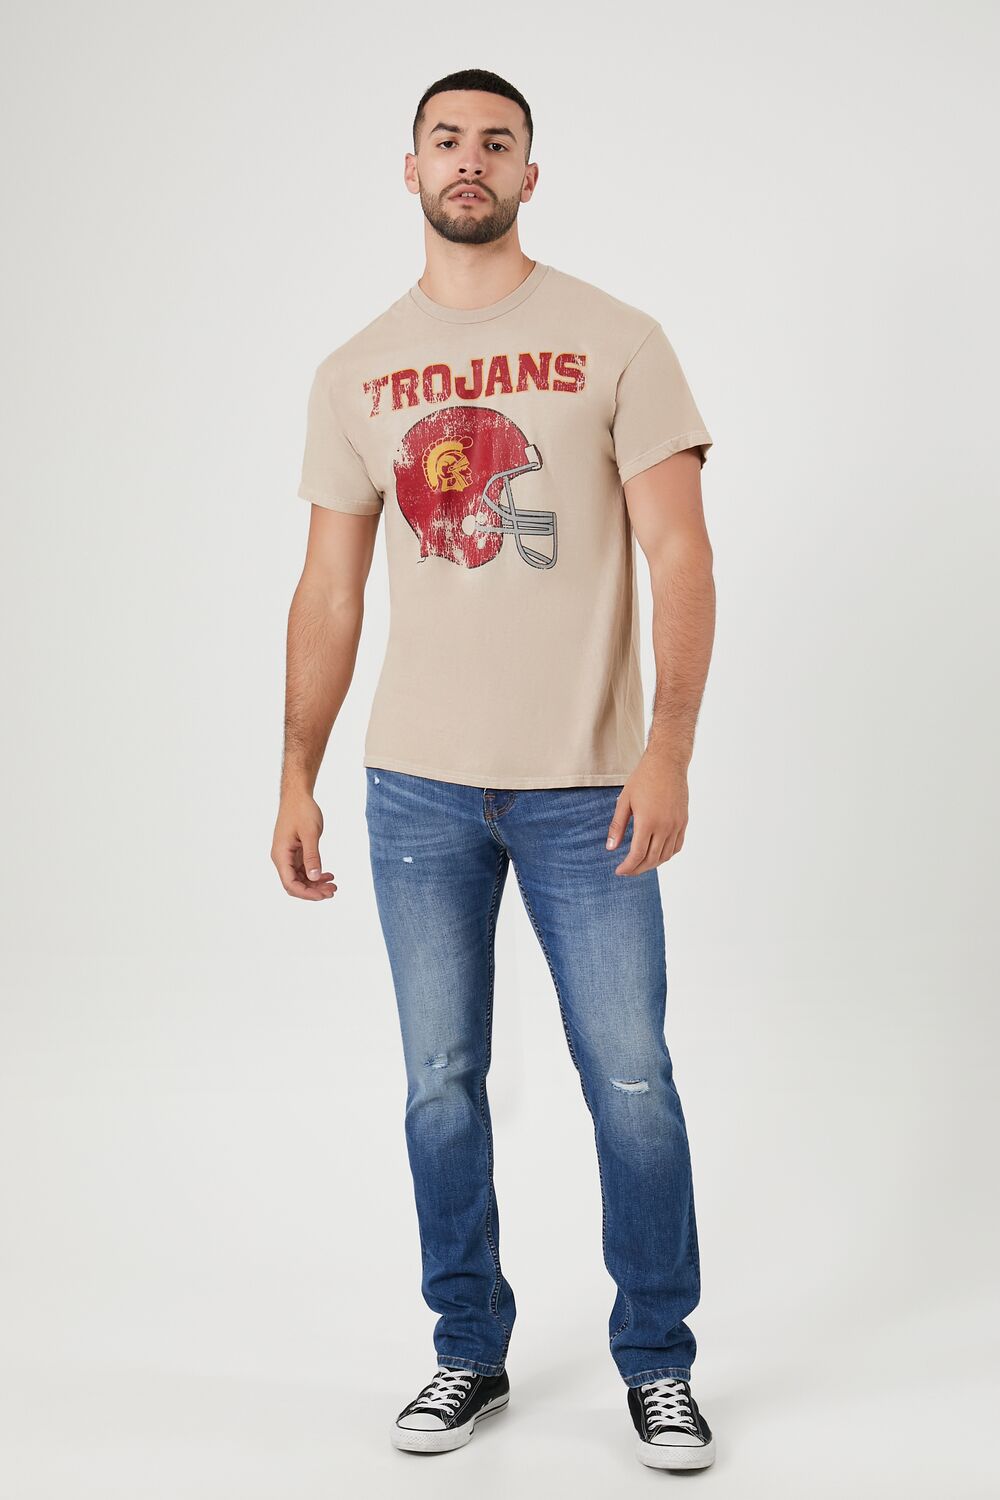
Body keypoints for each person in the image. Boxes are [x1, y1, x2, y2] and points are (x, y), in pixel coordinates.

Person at [272, 67, 717, 1472]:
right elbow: (328, 590)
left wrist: (668, 746)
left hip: (591, 786)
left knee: (631, 1078)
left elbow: (680, 554)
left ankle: (658, 1362)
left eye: (498, 143)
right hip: (416, 787)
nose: (472, 160)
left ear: (531, 172)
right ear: (410, 169)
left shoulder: (616, 340)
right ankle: (468, 1350)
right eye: (448, 141)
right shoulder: (353, 371)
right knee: (439, 1081)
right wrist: (295, 769)